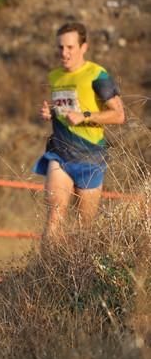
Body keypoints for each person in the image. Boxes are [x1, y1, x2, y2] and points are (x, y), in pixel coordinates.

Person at [34, 22, 124, 242]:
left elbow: (119, 115)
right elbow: (64, 110)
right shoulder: (55, 76)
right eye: (60, 48)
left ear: (83, 47)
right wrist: (51, 113)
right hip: (60, 153)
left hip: (90, 157)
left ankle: (77, 275)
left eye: (70, 47)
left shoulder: (97, 75)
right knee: (54, 216)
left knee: (85, 229)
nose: (64, 53)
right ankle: (47, 273)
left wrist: (85, 116)